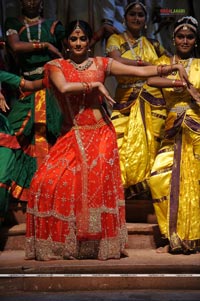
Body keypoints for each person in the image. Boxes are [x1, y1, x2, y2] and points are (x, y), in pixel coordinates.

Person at [24, 19, 189, 261]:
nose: (78, 43)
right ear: (66, 43)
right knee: (44, 182)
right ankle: (64, 245)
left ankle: (94, 246)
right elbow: (65, 87)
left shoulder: (102, 63)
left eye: (82, 38)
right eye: (73, 39)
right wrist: (95, 84)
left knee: (94, 190)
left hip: (101, 134)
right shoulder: (55, 65)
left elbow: (139, 71)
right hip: (72, 134)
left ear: (89, 42)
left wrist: (169, 69)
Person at [146, 16, 200, 254]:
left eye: (189, 37)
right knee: (158, 179)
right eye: (181, 36)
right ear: (173, 38)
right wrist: (180, 84)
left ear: (195, 40)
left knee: (194, 183)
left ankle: (193, 236)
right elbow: (150, 78)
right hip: (171, 128)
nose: (185, 40)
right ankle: (172, 236)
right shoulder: (163, 62)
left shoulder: (199, 65)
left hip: (196, 128)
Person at [3, 0, 65, 204]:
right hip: (26, 85)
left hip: (52, 87)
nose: (31, 1)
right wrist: (45, 45)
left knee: (54, 134)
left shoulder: (54, 25)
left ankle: (54, 189)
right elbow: (15, 45)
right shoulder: (13, 22)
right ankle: (20, 191)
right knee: (15, 132)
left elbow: (66, 53)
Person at [106, 1, 169, 199]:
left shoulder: (154, 44)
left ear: (145, 20)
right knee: (118, 144)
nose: (136, 18)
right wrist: (145, 65)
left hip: (153, 100)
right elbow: (116, 61)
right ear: (124, 18)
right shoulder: (114, 39)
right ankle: (123, 192)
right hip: (125, 101)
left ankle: (147, 194)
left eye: (140, 15)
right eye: (132, 14)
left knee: (152, 144)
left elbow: (169, 63)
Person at [0, 70, 44, 223]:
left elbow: (30, 84)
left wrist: (54, 74)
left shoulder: (2, 76)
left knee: (3, 176)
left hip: (3, 133)